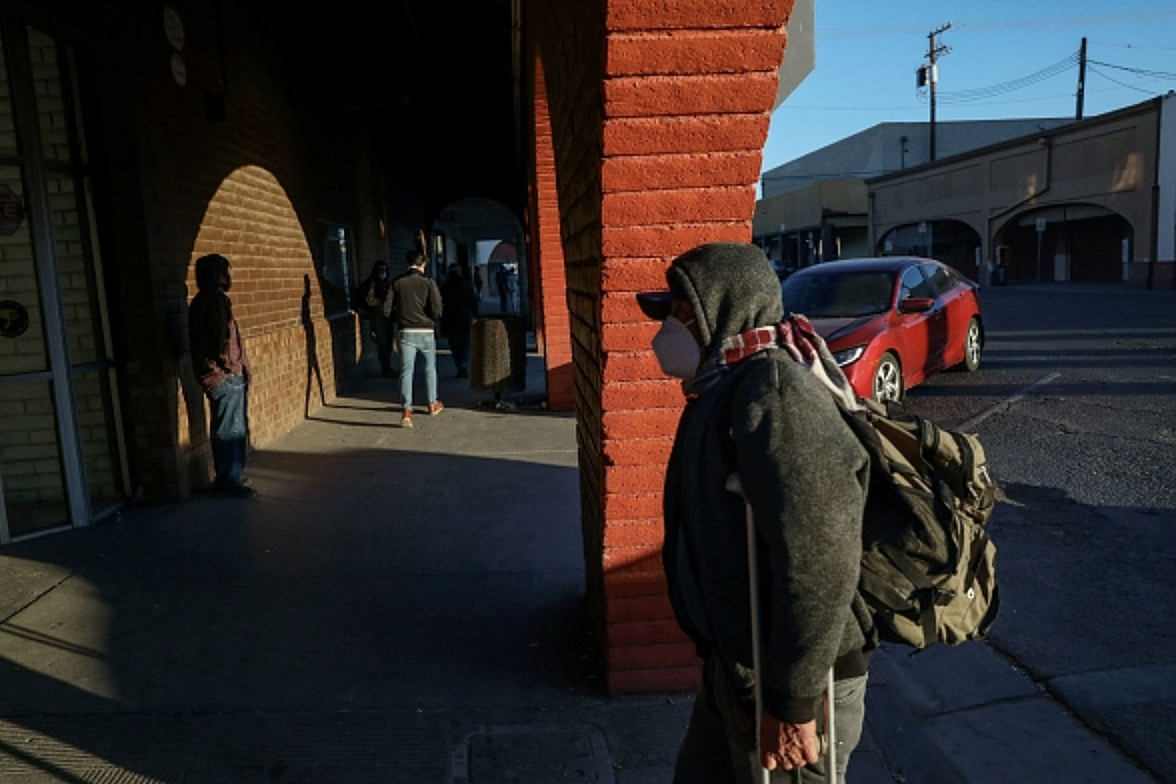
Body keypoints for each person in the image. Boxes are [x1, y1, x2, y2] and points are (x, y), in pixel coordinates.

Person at [635, 242, 873, 783]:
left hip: (793, 680)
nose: (667, 329)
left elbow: (823, 555)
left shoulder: (774, 393)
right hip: (737, 670)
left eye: (680, 312)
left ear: (723, 309)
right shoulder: (719, 389)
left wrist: (793, 702)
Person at [188, 253, 256, 499]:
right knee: (231, 429)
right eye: (226, 270)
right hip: (224, 375)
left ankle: (231, 477)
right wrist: (233, 367)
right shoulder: (215, 300)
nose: (230, 275)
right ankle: (229, 481)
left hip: (216, 374)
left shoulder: (201, 300)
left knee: (228, 426)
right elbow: (222, 340)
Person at [388, 248, 444, 427]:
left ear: (407, 263)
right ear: (424, 264)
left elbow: (386, 309)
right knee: (430, 369)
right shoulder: (429, 282)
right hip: (426, 331)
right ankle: (432, 404)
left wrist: (400, 318)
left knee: (406, 371)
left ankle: (406, 412)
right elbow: (437, 310)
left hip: (405, 331)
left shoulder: (397, 282)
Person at [353, 259, 394, 377]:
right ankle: (385, 368)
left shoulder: (387, 282)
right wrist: (382, 304)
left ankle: (387, 366)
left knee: (388, 342)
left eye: (384, 269)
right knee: (382, 343)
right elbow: (368, 299)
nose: (383, 272)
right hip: (378, 316)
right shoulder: (371, 283)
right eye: (380, 269)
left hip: (387, 316)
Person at [439, 263, 479, 378]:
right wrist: (475, 315)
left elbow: (440, 305)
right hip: (465, 318)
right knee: (465, 343)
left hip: (450, 319)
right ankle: (463, 363)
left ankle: (459, 365)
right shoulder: (467, 285)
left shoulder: (444, 287)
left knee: (454, 344)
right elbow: (473, 302)